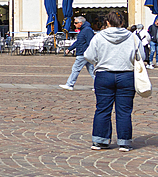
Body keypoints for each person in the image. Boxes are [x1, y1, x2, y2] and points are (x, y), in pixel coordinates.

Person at [84, 10, 141, 151]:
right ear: (122, 22)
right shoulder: (132, 37)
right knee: (124, 111)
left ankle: (100, 140)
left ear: (107, 22)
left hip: (104, 75)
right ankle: (124, 142)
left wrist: (98, 61)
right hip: (126, 75)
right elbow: (141, 55)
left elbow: (89, 55)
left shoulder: (99, 37)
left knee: (102, 109)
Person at [60, 16, 94, 90]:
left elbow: (90, 43)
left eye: (76, 23)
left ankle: (70, 84)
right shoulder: (83, 30)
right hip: (84, 53)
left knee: (76, 69)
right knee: (92, 71)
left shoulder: (87, 30)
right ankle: (99, 85)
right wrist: (69, 49)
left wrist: (88, 52)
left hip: (83, 54)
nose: (74, 24)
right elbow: (78, 41)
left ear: (80, 23)